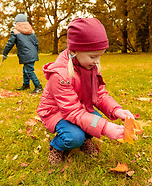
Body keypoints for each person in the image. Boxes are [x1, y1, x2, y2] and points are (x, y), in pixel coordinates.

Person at [37, 18, 135, 165]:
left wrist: (116, 110)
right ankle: (56, 146)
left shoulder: (89, 66)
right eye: (93, 56)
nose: (97, 61)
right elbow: (72, 112)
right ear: (74, 51)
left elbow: (99, 94)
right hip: (57, 112)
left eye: (100, 56)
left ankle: (85, 139)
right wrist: (105, 127)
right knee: (75, 136)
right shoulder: (60, 75)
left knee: (95, 118)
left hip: (79, 108)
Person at [2, 13, 42, 94]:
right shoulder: (31, 31)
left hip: (26, 53)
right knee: (25, 70)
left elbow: (10, 43)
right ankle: (26, 84)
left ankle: (38, 86)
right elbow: (36, 43)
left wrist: (4, 53)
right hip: (32, 53)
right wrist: (35, 52)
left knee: (29, 70)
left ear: (16, 22)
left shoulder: (15, 31)